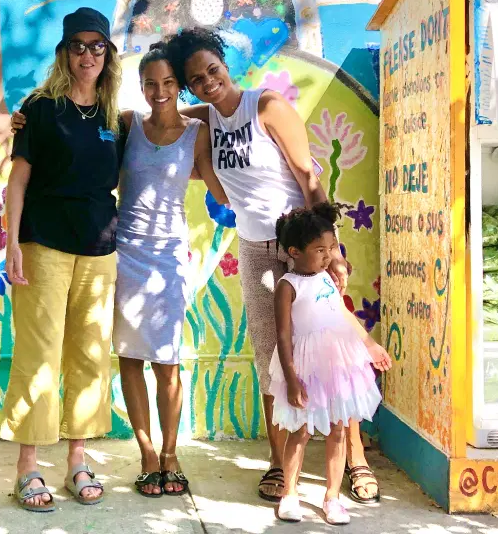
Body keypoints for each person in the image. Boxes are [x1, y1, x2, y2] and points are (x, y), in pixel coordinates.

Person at [162, 27, 378, 503]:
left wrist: (332, 249)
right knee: (271, 361)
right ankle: (281, 464)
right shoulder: (202, 122)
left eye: (212, 70)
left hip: (302, 247)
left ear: (224, 63)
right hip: (257, 251)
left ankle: (357, 460)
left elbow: (307, 176)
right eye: (195, 80)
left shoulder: (266, 106)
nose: (207, 82)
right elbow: (152, 118)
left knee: (333, 350)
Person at [3, 7, 122, 512]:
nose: (88, 55)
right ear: (64, 51)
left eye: (98, 46)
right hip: (43, 245)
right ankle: (28, 468)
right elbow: (18, 180)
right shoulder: (40, 108)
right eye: (79, 45)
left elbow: (174, 124)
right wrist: (10, 242)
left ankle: (77, 460)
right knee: (39, 355)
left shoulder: (116, 116)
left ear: (108, 54)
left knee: (91, 357)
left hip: (100, 251)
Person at [114, 43, 230, 498]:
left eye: (168, 83)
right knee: (129, 357)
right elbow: (76, 127)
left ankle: (170, 453)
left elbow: (218, 183)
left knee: (167, 363)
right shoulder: (126, 125)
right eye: (150, 84)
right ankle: (145, 454)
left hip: (168, 259)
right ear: (140, 87)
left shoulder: (196, 131)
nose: (159, 92)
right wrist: (27, 121)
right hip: (125, 253)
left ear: (178, 87)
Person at [270, 203, 391, 524]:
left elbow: (344, 314)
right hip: (305, 368)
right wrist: (292, 378)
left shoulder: (326, 278)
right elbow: (283, 337)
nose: (328, 256)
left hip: (339, 365)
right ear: (294, 252)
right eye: (320, 249)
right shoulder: (287, 286)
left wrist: (370, 345)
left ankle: (332, 497)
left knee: (339, 429)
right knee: (301, 431)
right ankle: (289, 494)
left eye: (331, 248)